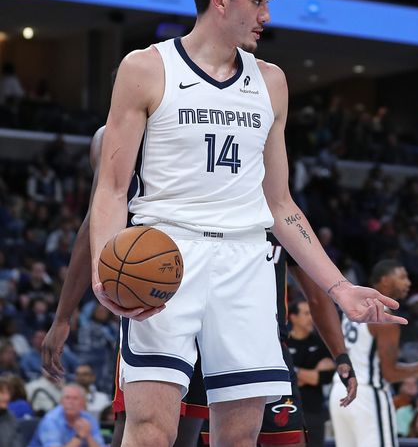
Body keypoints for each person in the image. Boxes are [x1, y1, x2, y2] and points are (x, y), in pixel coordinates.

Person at [87, 0, 403, 447]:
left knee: (240, 435)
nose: (266, 15)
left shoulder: (271, 81)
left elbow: (280, 204)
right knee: (150, 428)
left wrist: (340, 289)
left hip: (246, 260)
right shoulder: (146, 68)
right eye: (258, 1)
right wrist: (105, 268)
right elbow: (111, 187)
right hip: (165, 250)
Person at [42, 132, 358, 447]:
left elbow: (315, 289)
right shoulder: (120, 138)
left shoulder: (266, 196)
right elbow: (94, 223)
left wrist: (341, 349)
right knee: (146, 428)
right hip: (164, 303)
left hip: (249, 329)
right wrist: (63, 315)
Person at [329, 259, 418, 447]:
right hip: (367, 395)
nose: (408, 283)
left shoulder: (354, 306)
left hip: (340, 390)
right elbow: (389, 373)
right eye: (403, 277)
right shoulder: (384, 317)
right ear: (385, 280)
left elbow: (367, 360)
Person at [285, 299, 335, 447]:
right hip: (287, 409)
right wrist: (310, 374)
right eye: (306, 314)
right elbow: (284, 378)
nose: (311, 318)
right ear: (293, 317)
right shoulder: (283, 342)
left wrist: (294, 372)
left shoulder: (320, 342)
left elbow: (326, 377)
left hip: (314, 411)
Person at [28, 384, 104, 447]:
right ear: (61, 402)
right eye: (67, 398)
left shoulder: (89, 419)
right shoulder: (51, 420)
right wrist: (79, 436)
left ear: (83, 403)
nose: (71, 402)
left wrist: (88, 436)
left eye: (75, 398)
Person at [0, 377, 22, 447]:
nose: (7, 397)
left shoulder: (10, 416)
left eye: (8, 393)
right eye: (2, 393)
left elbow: (17, 443)